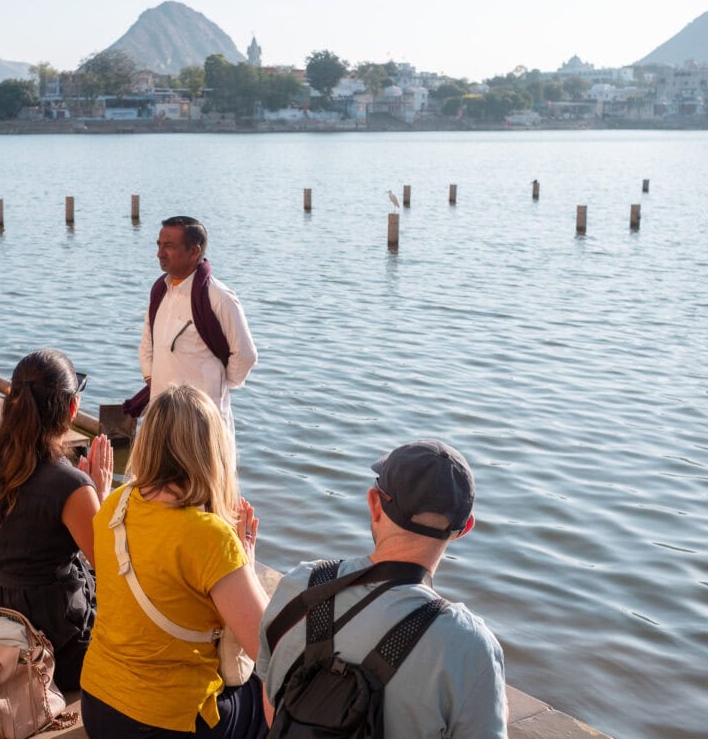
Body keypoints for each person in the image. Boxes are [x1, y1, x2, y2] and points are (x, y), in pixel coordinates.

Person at [256, 440, 508, 738]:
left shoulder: (301, 586)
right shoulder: (469, 647)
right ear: (463, 529)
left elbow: (275, 709)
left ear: (374, 503)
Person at [81, 384, 268, 738]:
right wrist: (246, 562)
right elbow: (267, 648)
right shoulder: (208, 536)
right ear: (211, 451)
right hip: (165, 723)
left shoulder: (115, 504)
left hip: (99, 706)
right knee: (269, 693)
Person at [0, 349, 114, 691]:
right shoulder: (71, 485)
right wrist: (104, 499)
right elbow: (112, 570)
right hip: (52, 650)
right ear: (71, 408)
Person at [128, 216, 257, 438]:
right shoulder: (160, 290)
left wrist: (216, 383)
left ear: (194, 251)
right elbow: (148, 344)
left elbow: (245, 356)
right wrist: (154, 379)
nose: (160, 253)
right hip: (161, 416)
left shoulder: (219, 298)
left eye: (169, 246)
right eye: (159, 245)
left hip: (202, 424)